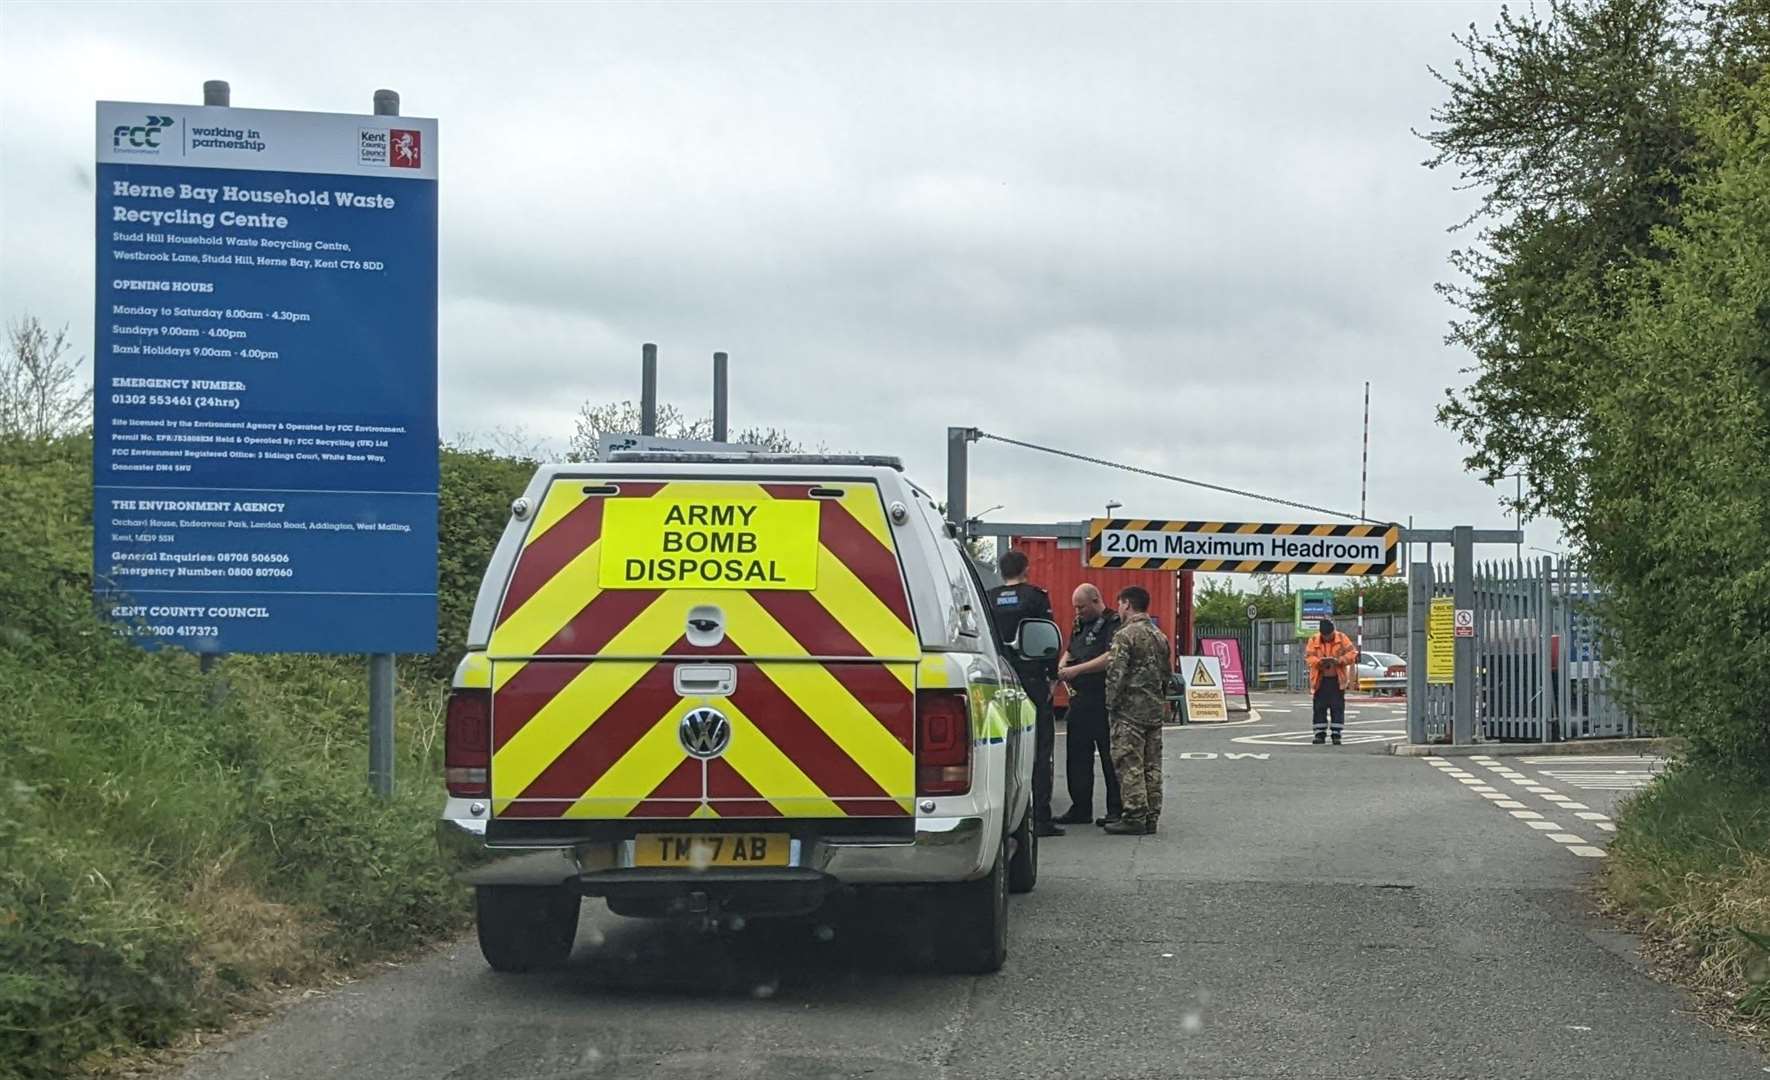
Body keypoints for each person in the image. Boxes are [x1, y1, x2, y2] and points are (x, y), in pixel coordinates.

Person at [985, 550, 1063, 837]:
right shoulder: (1036, 597)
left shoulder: (988, 599)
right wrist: (1053, 676)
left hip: (997, 680)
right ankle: (1039, 817)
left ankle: (1002, 811)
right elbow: (1046, 639)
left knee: (998, 746)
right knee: (1039, 749)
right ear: (1026, 569)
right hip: (1031, 681)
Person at [1102, 586, 1171, 836]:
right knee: (1152, 765)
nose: (1118, 609)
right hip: (1153, 709)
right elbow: (1166, 674)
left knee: (1129, 761)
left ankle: (1134, 814)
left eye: (1120, 604)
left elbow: (1116, 673)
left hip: (1129, 711)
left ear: (1128, 604)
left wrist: (1111, 703)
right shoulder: (1159, 635)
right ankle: (1152, 815)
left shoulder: (1125, 635)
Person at [1053, 584, 1123, 827]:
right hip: (1080, 698)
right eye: (1075, 607)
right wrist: (1063, 667)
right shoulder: (1079, 624)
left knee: (1109, 757)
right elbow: (1071, 649)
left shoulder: (1113, 622)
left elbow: (1110, 656)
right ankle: (1081, 807)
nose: (1078, 612)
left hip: (1103, 698)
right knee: (1077, 756)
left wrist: (1076, 670)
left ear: (1096, 600)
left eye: (1081, 607)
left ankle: (1116, 809)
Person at [1305, 617, 1359, 745]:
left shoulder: (1341, 638)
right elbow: (1308, 657)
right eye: (1325, 635)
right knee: (1319, 707)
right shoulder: (1313, 640)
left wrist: (1339, 661)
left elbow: (1352, 653)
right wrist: (1319, 663)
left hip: (1337, 680)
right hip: (1320, 679)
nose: (1328, 638)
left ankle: (1336, 733)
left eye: (1330, 635)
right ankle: (1319, 733)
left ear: (1333, 631)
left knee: (1337, 707)